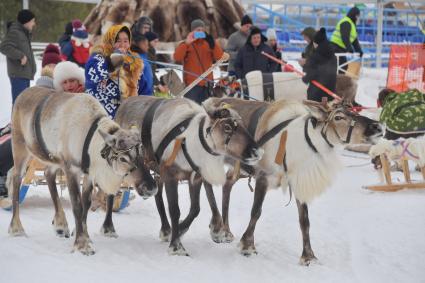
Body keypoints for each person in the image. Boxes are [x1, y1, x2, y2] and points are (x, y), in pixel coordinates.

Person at [85, 25, 143, 117]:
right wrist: (114, 59)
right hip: (101, 114)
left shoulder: (133, 63)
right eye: (118, 41)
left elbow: (142, 88)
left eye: (125, 41)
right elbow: (95, 76)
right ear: (110, 41)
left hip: (127, 113)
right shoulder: (97, 58)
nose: (122, 45)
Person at [174, 19, 225, 104]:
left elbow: (219, 57)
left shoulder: (209, 43)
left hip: (207, 85)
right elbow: (177, 57)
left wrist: (213, 44)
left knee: (207, 112)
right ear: (192, 31)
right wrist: (187, 43)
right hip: (192, 86)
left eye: (202, 30)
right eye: (198, 30)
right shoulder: (185, 44)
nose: (201, 32)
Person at [0, 9, 37, 105]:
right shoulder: (15, 32)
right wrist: (20, 56)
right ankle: (15, 120)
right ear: (27, 22)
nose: (34, 24)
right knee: (19, 105)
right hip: (18, 74)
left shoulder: (23, 33)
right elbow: (4, 47)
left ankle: (18, 120)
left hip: (24, 74)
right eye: (33, 21)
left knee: (23, 105)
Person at [302, 28, 337, 102]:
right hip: (330, 91)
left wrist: (305, 78)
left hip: (317, 92)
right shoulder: (331, 53)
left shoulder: (317, 54)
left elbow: (313, 72)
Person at [330, 7, 363, 73]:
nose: (358, 18)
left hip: (340, 48)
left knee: (342, 66)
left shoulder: (352, 24)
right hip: (335, 47)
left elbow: (354, 40)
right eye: (357, 16)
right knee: (341, 66)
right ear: (354, 15)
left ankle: (337, 81)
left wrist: (358, 50)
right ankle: (337, 81)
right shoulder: (346, 22)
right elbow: (345, 37)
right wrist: (349, 48)